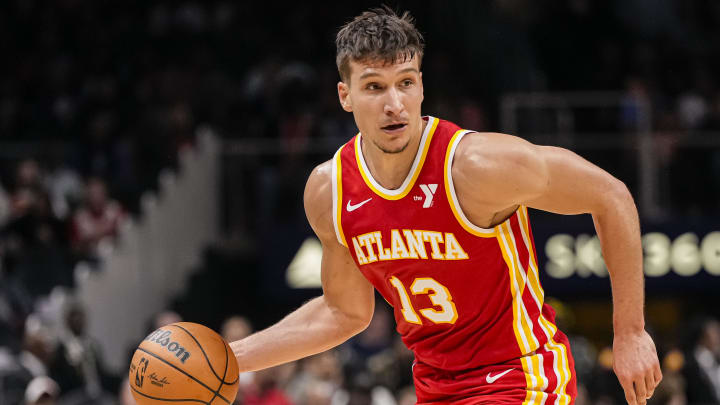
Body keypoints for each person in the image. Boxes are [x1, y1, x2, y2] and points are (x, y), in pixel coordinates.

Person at [230, 7, 661, 404]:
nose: (394, 104)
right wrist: (231, 361)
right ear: (345, 95)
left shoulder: (477, 165)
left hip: (520, 376)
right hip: (436, 387)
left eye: (405, 82)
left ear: (421, 85)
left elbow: (611, 195)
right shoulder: (330, 191)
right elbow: (343, 311)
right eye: (374, 87)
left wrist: (631, 332)